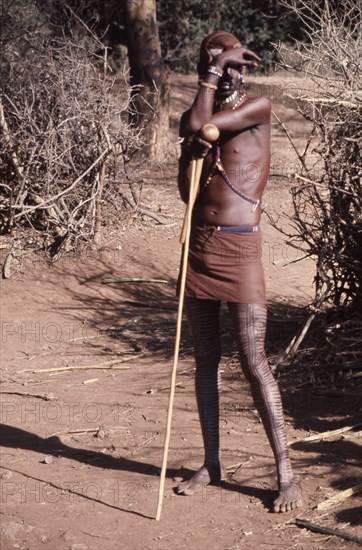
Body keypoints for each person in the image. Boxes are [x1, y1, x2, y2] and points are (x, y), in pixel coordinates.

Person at [176, 30, 302, 513]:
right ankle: (211, 463)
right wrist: (189, 159)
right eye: (213, 64)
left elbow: (205, 128)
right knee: (205, 360)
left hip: (240, 250)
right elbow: (189, 179)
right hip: (199, 248)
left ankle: (286, 475)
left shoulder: (258, 106)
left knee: (253, 360)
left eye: (231, 63)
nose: (226, 72)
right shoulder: (203, 107)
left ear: (243, 67)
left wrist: (211, 85)